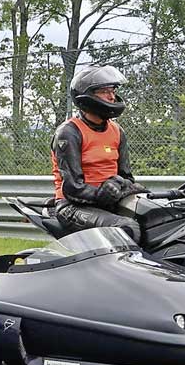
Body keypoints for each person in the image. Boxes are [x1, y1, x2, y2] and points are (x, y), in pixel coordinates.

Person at [51, 65, 146, 243]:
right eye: (104, 91)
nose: (111, 96)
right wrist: (99, 194)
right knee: (126, 229)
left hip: (109, 202)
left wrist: (124, 186)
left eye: (113, 90)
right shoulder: (69, 132)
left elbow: (126, 176)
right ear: (86, 97)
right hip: (72, 206)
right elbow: (72, 188)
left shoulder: (117, 131)